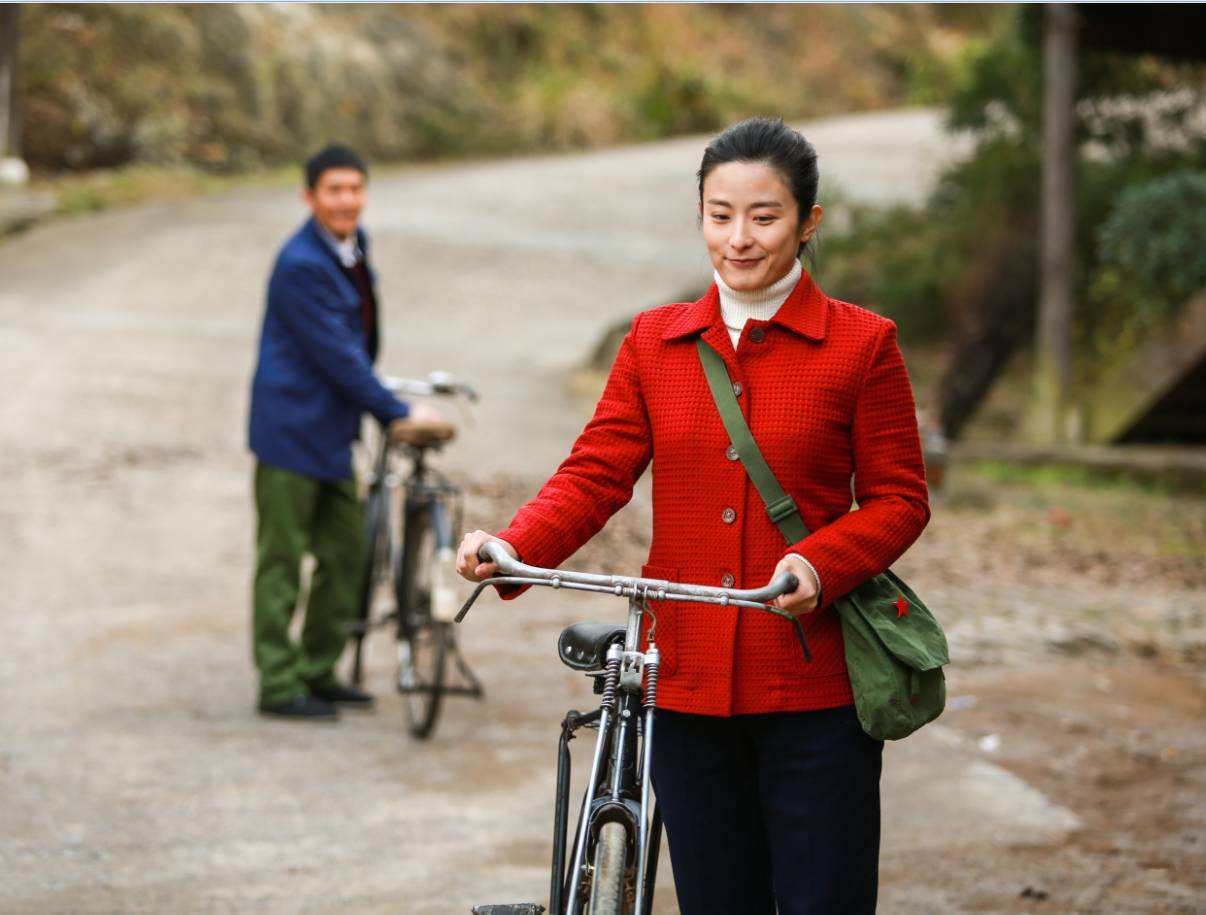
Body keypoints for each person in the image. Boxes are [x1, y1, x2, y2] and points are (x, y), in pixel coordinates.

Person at [456, 118, 929, 913]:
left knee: (825, 899)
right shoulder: (654, 341)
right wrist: (513, 544)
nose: (738, 238)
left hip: (813, 688)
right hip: (688, 685)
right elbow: (596, 472)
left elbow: (899, 499)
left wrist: (820, 562)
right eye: (719, 214)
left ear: (810, 223)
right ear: (700, 215)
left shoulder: (862, 345)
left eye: (764, 216)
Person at [249, 144, 450, 721]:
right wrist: (394, 410)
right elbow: (338, 356)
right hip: (289, 433)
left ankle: (318, 669)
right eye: (334, 190)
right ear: (309, 196)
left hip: (333, 434)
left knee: (344, 554)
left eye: (355, 188)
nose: (347, 200)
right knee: (282, 561)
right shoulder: (301, 263)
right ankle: (279, 683)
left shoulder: (352, 247)